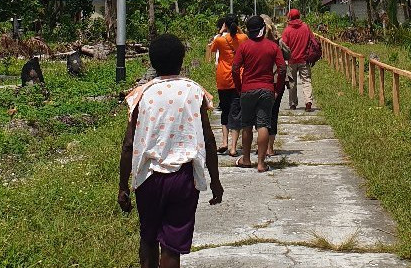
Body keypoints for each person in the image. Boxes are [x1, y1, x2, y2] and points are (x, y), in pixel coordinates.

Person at [119, 34, 224, 268]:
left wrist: (123, 186)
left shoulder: (141, 94)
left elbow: (128, 144)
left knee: (148, 239)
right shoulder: (194, 91)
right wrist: (215, 181)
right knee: (171, 247)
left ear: (152, 62)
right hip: (183, 179)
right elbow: (208, 140)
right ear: (181, 60)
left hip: (148, 178)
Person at [231, 15, 286, 173]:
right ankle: (261, 164)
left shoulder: (244, 46)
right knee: (263, 124)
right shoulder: (272, 46)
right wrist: (277, 88)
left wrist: (239, 87)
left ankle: (246, 159)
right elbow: (282, 68)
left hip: (248, 89)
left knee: (246, 125)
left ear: (248, 30)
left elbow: (235, 68)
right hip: (267, 89)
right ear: (263, 28)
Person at [209, 14, 247, 155]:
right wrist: (239, 29)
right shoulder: (242, 38)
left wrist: (221, 31)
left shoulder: (220, 40)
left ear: (225, 25)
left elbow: (212, 49)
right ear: (236, 25)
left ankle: (224, 141)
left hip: (223, 78)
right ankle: (233, 147)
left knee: (225, 110)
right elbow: (246, 38)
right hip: (239, 78)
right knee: (236, 112)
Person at [260, 13, 291, 158]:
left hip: (260, 82)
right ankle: (270, 148)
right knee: (273, 114)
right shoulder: (277, 42)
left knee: (261, 115)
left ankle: (261, 146)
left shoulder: (254, 42)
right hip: (276, 81)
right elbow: (288, 54)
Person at [281, 8, 315, 111]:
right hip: (304, 59)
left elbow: (283, 45)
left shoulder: (287, 30)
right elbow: (312, 40)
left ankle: (292, 104)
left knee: (292, 82)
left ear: (289, 17)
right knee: (306, 81)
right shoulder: (306, 27)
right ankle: (308, 101)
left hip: (291, 61)